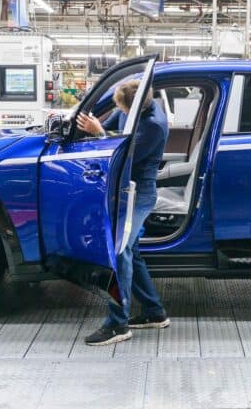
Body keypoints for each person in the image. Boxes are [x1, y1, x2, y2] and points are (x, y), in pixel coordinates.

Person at [76, 79, 171, 346]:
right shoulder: (134, 109)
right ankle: (154, 312)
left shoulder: (153, 125)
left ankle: (118, 324)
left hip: (138, 195)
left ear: (137, 105)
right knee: (131, 252)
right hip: (127, 193)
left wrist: (100, 134)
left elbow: (121, 157)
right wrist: (92, 127)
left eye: (123, 108)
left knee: (119, 254)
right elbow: (109, 127)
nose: (121, 112)